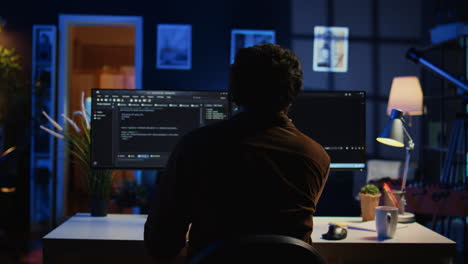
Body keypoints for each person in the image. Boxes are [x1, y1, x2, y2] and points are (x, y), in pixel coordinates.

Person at [144, 43, 330, 262]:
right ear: (294, 91)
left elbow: (161, 244)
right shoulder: (315, 155)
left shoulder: (195, 146)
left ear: (234, 88)